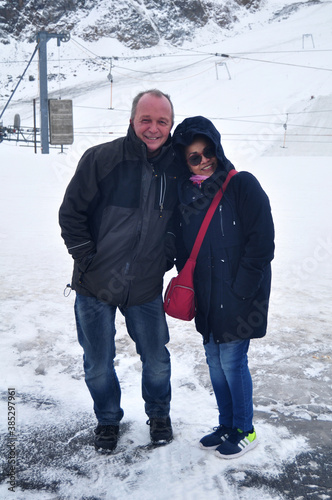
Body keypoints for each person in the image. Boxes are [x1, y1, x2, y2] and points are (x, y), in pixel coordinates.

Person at [59, 89, 179, 452]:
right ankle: (108, 421)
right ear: (132, 121)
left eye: (162, 121)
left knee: (156, 359)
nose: (153, 128)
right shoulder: (102, 159)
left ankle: (159, 415)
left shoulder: (176, 169)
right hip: (94, 285)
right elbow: (71, 214)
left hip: (144, 286)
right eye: (146, 119)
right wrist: (88, 258)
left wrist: (165, 258)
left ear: (171, 126)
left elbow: (183, 221)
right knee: (97, 364)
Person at [172, 116, 275, 459]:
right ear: (184, 161)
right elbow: (184, 248)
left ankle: (245, 429)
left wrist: (243, 289)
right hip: (207, 296)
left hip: (238, 296)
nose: (204, 160)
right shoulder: (187, 194)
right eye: (194, 157)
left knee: (232, 362)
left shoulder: (242, 184)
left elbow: (262, 242)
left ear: (217, 147)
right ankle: (227, 424)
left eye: (208, 151)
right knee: (215, 363)